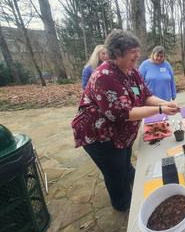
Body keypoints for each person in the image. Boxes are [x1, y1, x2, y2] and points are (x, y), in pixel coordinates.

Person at [71, 30, 179, 212]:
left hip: (121, 135)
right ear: (117, 54)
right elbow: (124, 113)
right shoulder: (104, 77)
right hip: (100, 137)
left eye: (137, 50)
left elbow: (145, 95)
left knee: (125, 162)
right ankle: (123, 203)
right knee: (115, 172)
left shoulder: (131, 71)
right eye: (132, 52)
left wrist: (166, 103)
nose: (137, 55)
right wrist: (160, 109)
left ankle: (131, 181)